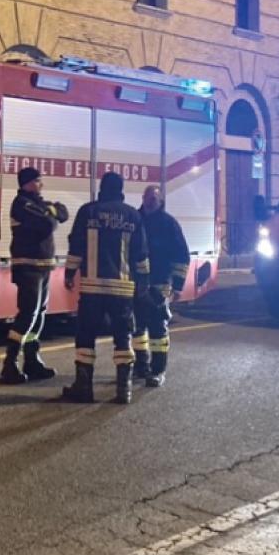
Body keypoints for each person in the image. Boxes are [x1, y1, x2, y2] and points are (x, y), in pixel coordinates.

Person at [61, 172, 149, 403]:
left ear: (102, 188)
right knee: (122, 337)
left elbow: (76, 246)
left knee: (86, 336)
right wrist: (143, 282)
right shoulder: (132, 215)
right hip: (122, 289)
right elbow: (141, 254)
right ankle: (124, 389)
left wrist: (69, 273)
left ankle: (83, 387)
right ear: (121, 189)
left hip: (92, 289)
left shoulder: (87, 211)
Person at [3, 167, 69, 384]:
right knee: (28, 314)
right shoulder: (22, 204)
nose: (42, 184)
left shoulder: (37, 203)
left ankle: (32, 360)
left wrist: (52, 210)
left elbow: (63, 212)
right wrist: (51, 212)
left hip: (42, 266)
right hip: (28, 266)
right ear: (28, 183)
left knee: (38, 314)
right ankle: (10, 363)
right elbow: (47, 224)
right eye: (38, 181)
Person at [136, 184, 190, 388]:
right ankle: (141, 366)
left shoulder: (168, 224)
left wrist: (177, 286)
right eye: (147, 197)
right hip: (137, 282)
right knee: (137, 327)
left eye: (154, 198)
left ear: (160, 201)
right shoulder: (135, 219)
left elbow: (181, 256)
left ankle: (158, 370)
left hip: (160, 281)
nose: (150, 201)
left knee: (157, 326)